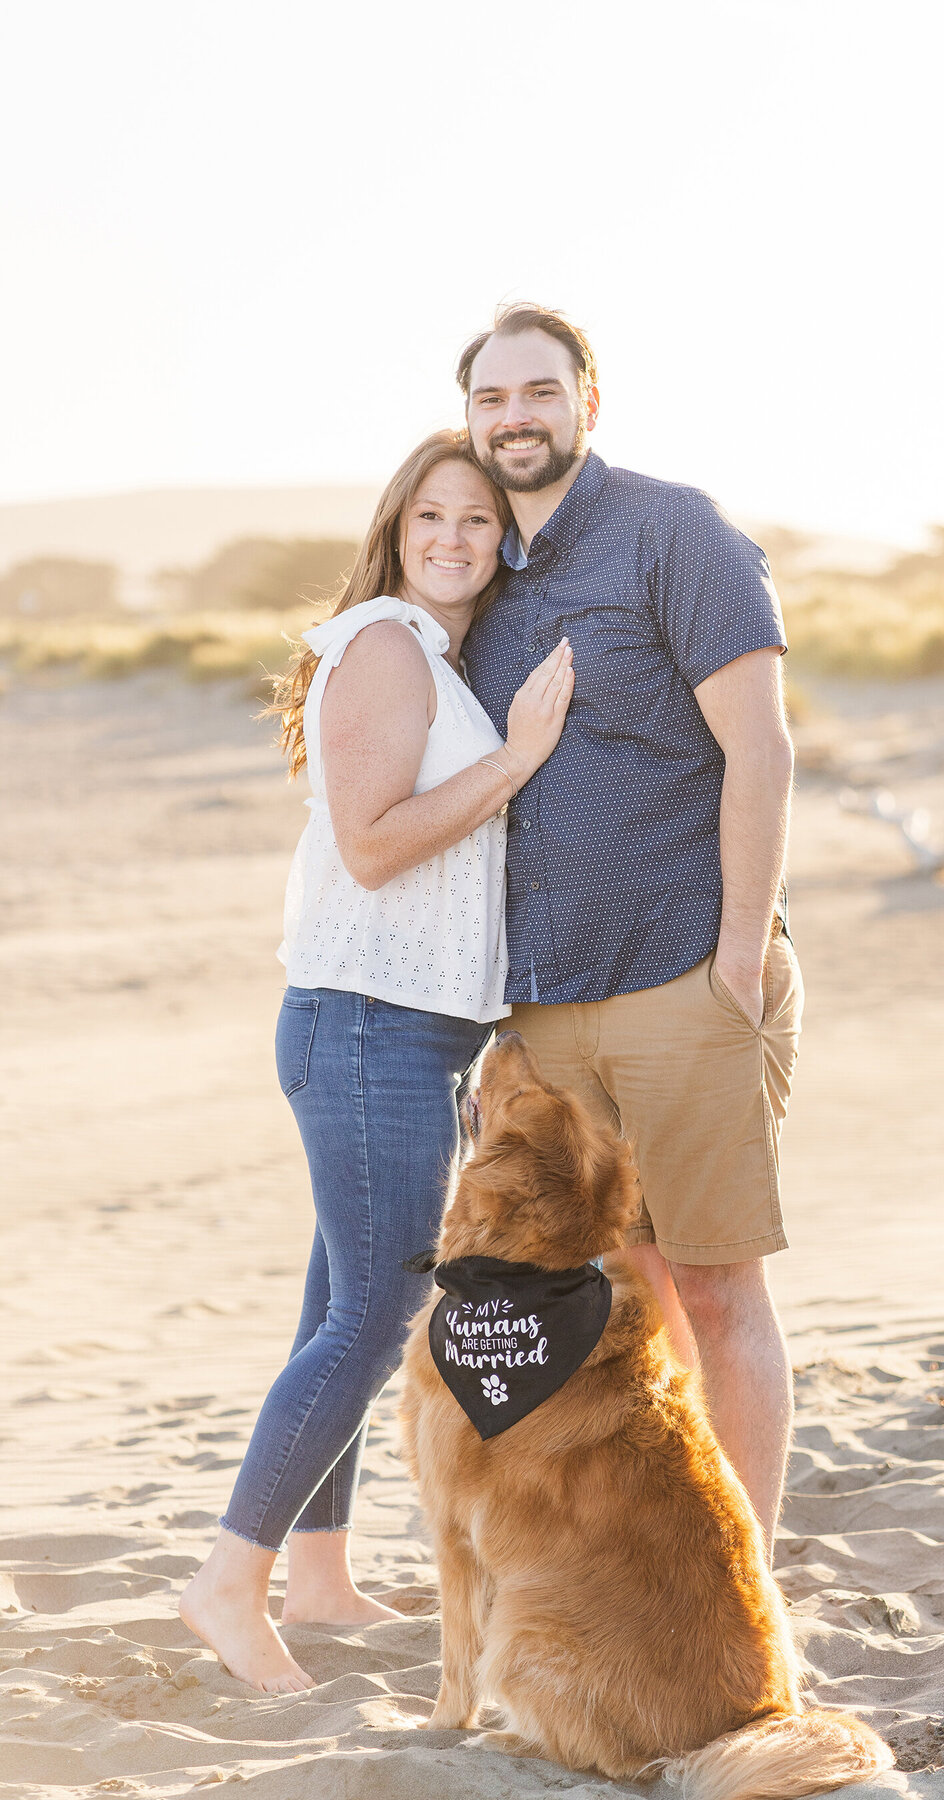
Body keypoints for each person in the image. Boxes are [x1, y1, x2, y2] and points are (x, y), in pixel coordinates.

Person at [179, 429, 574, 1691]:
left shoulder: (435, 661)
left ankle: (318, 1571)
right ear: (396, 537)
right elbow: (371, 843)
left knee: (337, 1305)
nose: (455, 541)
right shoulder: (386, 645)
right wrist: (518, 760)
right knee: (380, 1313)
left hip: (402, 1036)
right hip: (365, 1031)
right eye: (430, 522)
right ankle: (229, 1584)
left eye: (476, 522)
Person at [460, 305, 800, 1556]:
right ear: (472, 418)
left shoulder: (674, 530)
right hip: (545, 1005)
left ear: (587, 403)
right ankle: (672, 1547)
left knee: (716, 1285)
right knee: (630, 1294)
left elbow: (759, 746)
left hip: (681, 974)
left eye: (538, 391)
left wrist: (737, 954)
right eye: (492, 399)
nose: (515, 417)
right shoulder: (485, 568)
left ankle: (743, 1574)